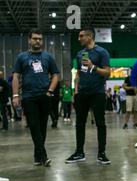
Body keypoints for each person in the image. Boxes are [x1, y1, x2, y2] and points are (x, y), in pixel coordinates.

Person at [12, 29, 60, 167]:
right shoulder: (22, 57)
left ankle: (37, 156)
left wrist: (50, 90)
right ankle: (44, 156)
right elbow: (16, 76)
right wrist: (15, 95)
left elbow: (56, 75)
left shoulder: (47, 57)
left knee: (42, 127)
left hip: (44, 96)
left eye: (40, 39)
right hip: (28, 97)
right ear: (29, 40)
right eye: (35, 38)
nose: (37, 41)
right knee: (34, 126)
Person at [65, 28, 111, 165]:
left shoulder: (102, 52)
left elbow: (108, 73)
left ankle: (101, 153)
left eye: (81, 36)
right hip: (82, 94)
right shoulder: (80, 54)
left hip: (97, 93)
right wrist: (75, 90)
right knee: (79, 124)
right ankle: (79, 152)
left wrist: (93, 66)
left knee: (100, 124)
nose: (79, 39)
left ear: (90, 37)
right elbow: (79, 73)